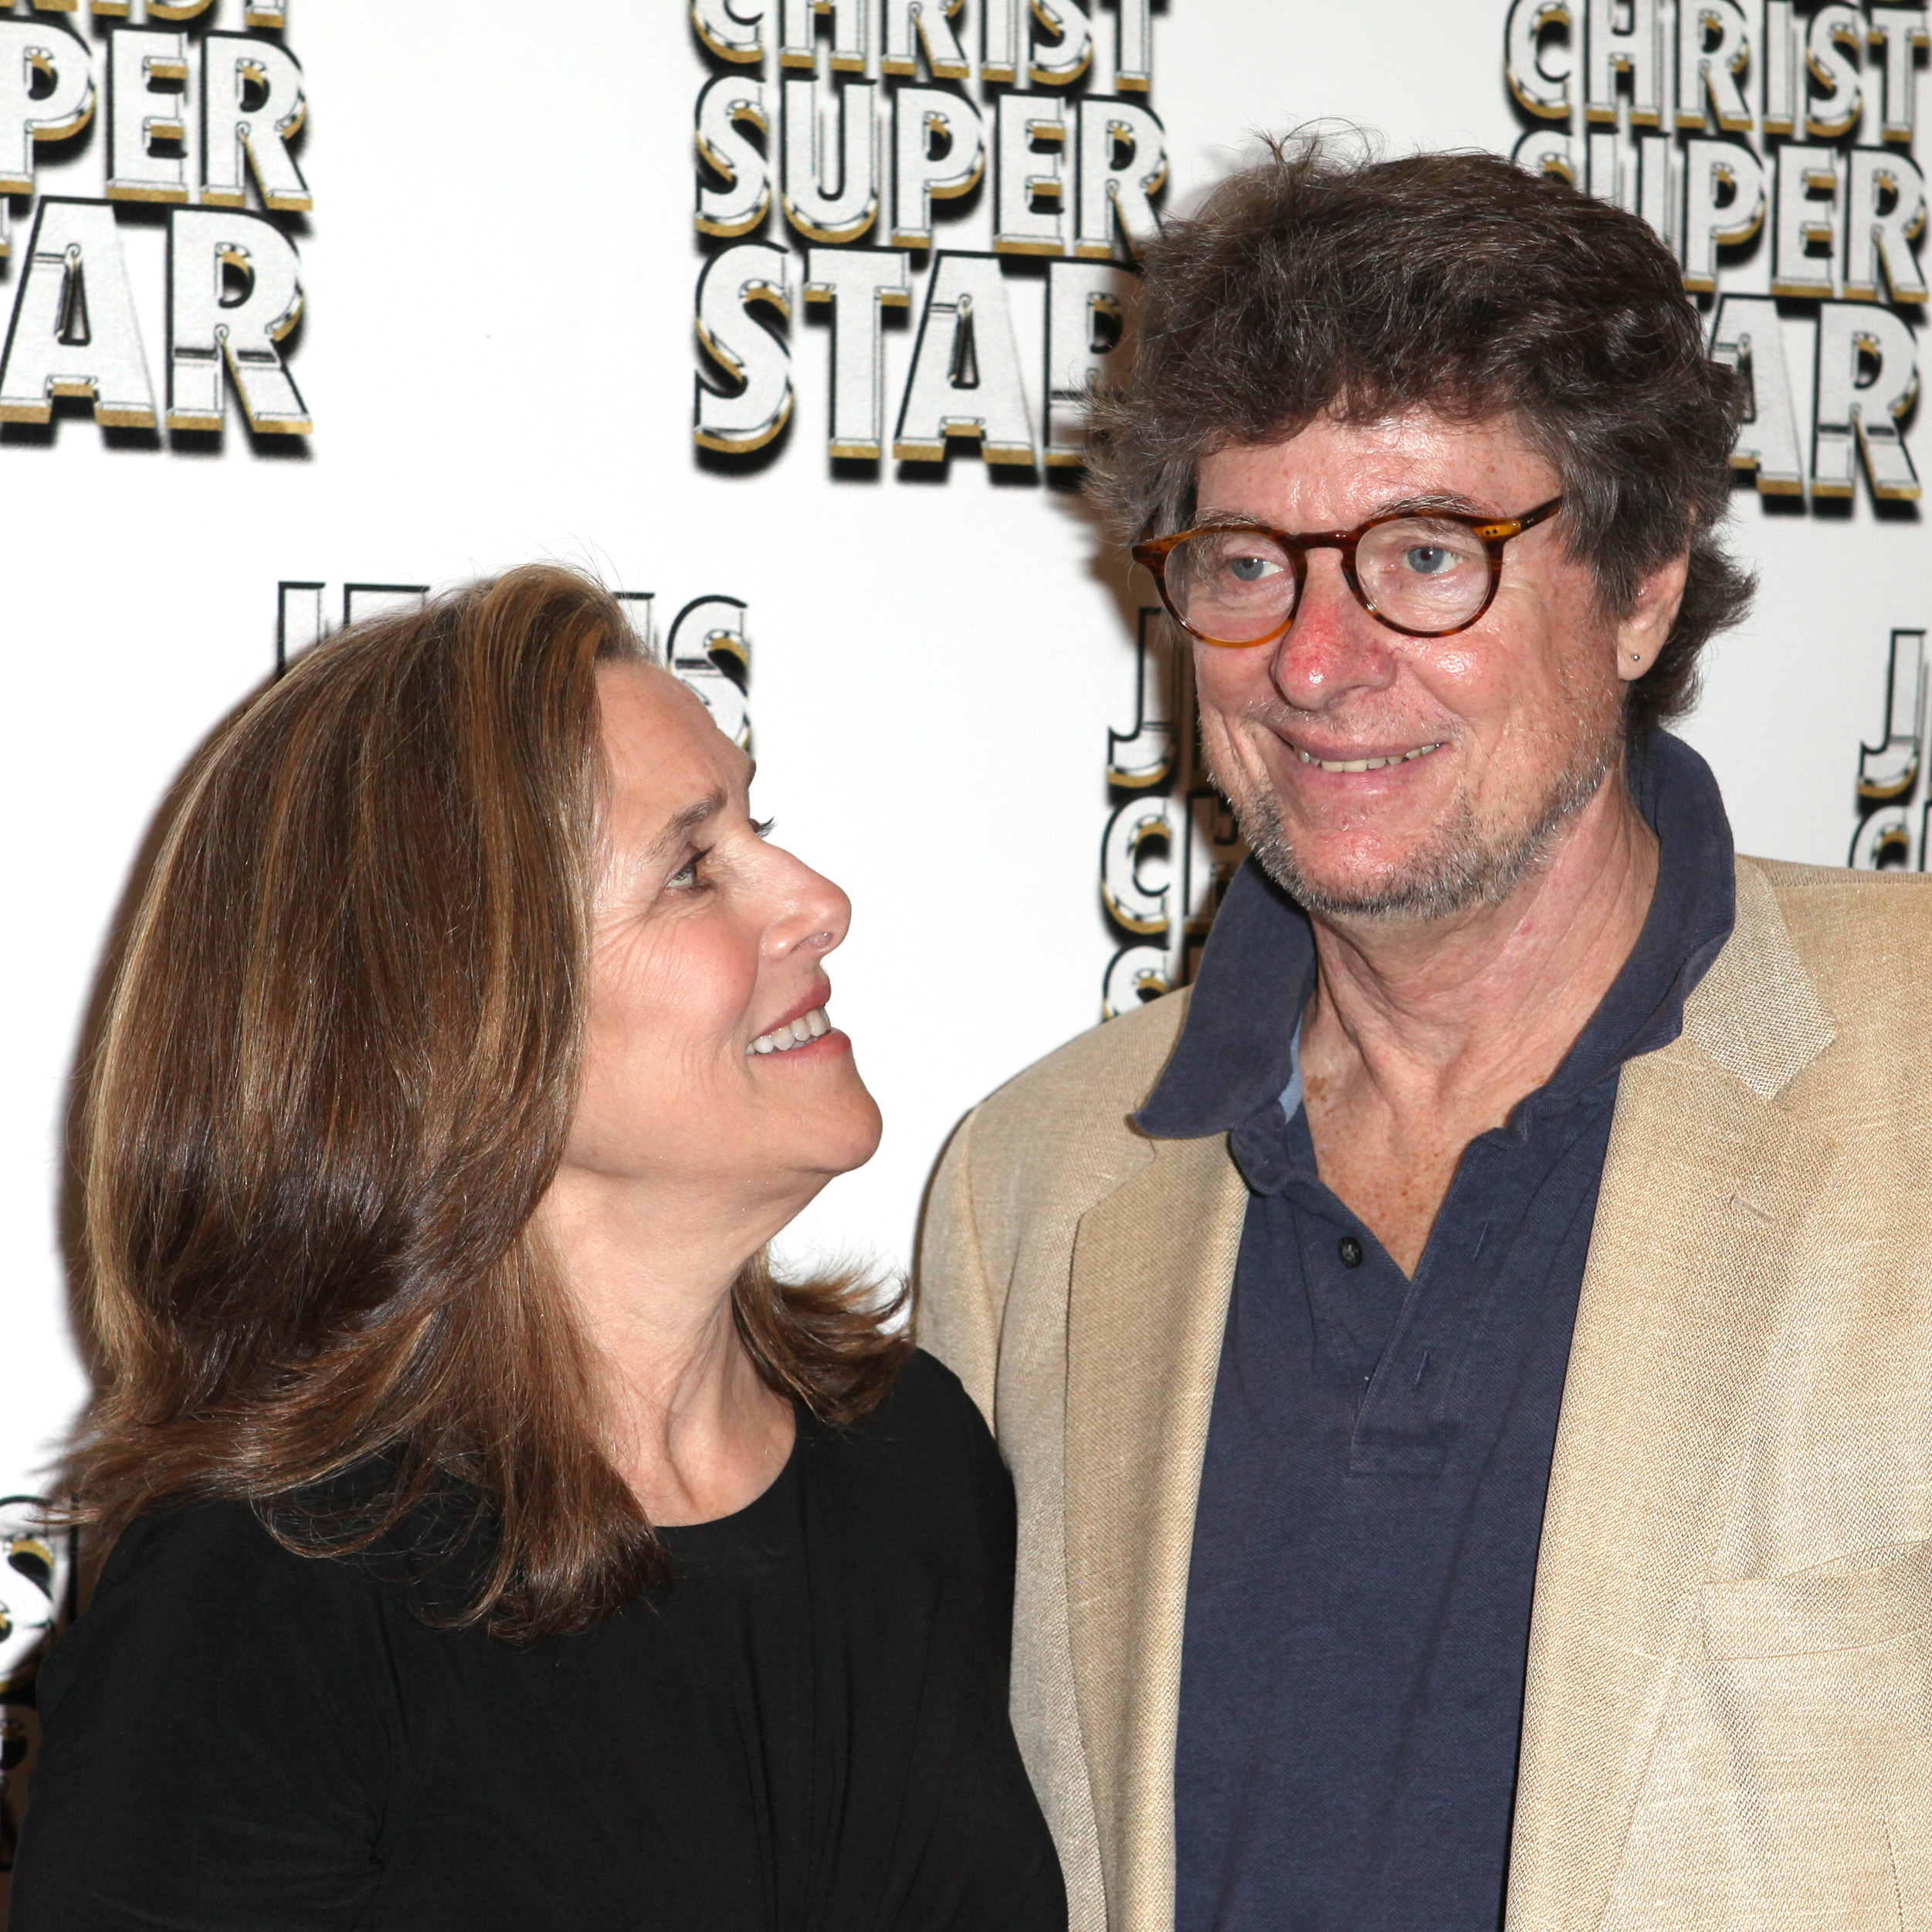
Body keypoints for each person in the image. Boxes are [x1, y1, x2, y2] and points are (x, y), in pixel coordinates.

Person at [919, 139, 1932, 1932]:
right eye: (1245, 561)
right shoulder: (1034, 1188)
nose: (1314, 660)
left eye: (1422, 557)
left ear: (1640, 589)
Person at [11, 565, 1066, 1932]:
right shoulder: (269, 1590)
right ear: (461, 1014)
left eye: (760, 827)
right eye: (693, 866)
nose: (817, 899)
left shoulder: (917, 1468)